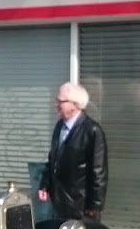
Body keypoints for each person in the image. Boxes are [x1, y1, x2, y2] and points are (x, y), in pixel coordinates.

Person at [40, 82, 106, 219]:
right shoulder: (59, 126)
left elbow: (98, 172)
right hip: (59, 202)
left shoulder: (92, 131)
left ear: (74, 104)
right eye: (56, 101)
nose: (56, 105)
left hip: (80, 206)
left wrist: (95, 206)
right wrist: (44, 184)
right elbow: (53, 159)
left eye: (61, 101)